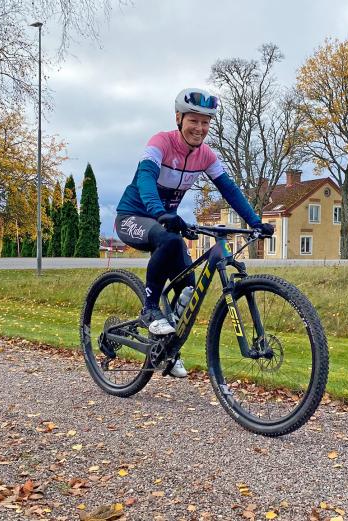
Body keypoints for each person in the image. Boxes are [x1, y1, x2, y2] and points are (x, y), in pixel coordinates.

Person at [115, 88, 274, 378]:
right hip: (134, 216)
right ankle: (150, 309)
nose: (199, 128)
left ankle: (167, 348)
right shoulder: (160, 143)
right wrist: (159, 211)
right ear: (179, 118)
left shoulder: (205, 155)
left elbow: (229, 189)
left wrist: (255, 221)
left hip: (166, 220)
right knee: (169, 239)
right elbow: (145, 179)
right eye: (194, 121)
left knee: (187, 285)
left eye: (205, 123)